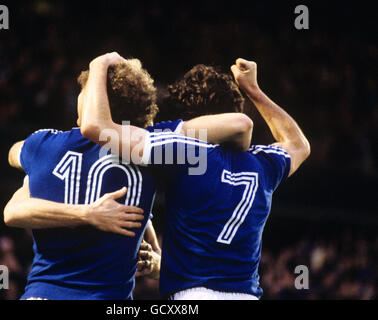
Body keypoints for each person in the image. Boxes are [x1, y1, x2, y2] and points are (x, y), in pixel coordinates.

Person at [5, 56, 253, 299]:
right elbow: (240, 124)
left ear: (94, 98)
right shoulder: (153, 145)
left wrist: (99, 64)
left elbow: (14, 155)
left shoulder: (44, 144)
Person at [80, 53, 310, 300]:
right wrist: (253, 89)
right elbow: (298, 145)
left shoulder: (183, 150)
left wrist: (98, 64)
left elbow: (96, 127)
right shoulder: (263, 163)